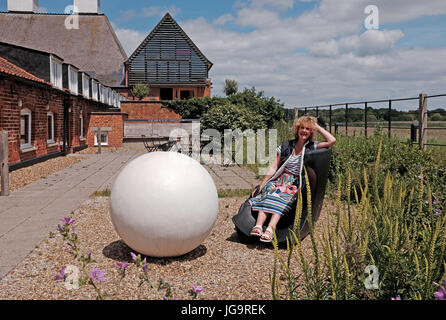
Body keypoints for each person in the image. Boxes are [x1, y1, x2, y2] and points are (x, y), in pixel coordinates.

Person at [249, 116, 336, 243]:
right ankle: (258, 226)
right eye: (302, 128)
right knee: (269, 192)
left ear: (311, 132)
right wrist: (263, 184)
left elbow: (332, 141)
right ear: (297, 129)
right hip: (280, 179)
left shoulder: (312, 146)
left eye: (307, 129)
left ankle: (270, 229)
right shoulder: (286, 145)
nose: (304, 131)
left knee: (280, 196)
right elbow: (274, 167)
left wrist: (316, 126)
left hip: (295, 182)